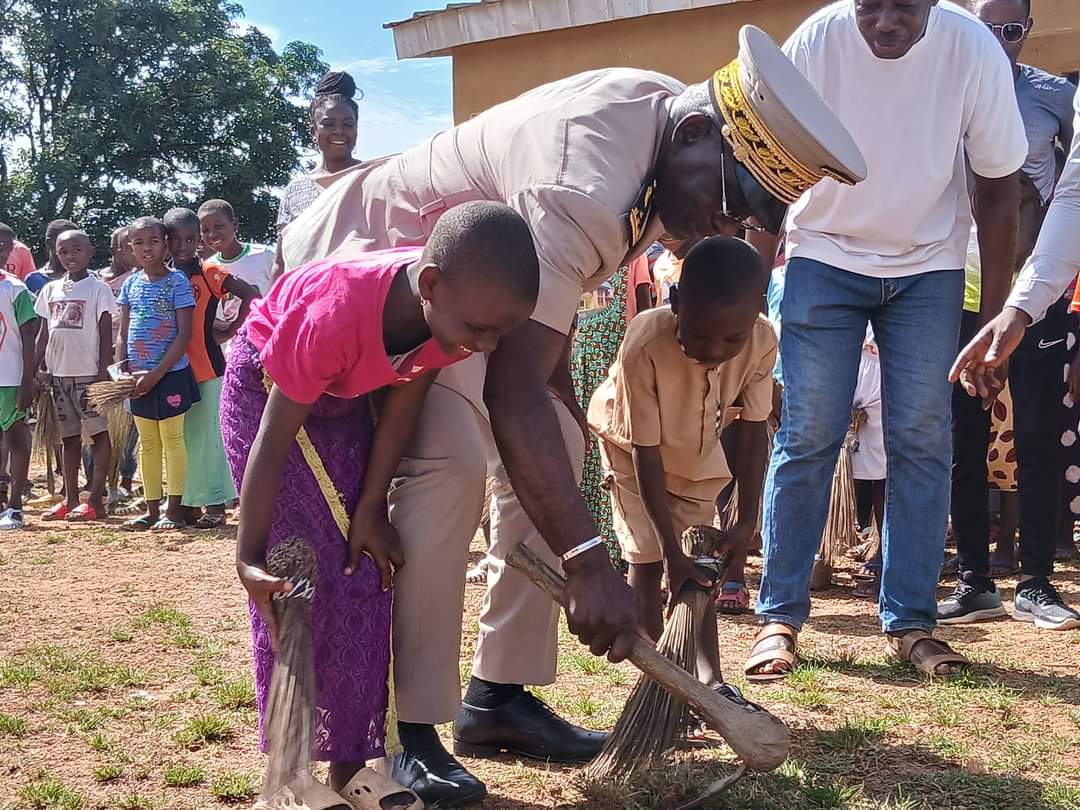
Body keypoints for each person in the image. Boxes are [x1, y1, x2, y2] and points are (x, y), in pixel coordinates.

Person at [279, 26, 865, 807]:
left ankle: (497, 698)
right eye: (731, 205)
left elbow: (543, 332)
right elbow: (506, 387)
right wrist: (590, 563)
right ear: (697, 132)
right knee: (449, 460)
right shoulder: (584, 182)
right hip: (364, 275)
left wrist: (563, 432)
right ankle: (406, 732)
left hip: (464, 298)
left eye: (753, 217)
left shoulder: (669, 144)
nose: (728, 231)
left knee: (556, 437)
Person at [221, 201, 539, 807]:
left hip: (339, 405)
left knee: (360, 569)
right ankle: (289, 778)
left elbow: (401, 407)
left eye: (501, 332)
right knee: (298, 574)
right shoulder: (336, 314)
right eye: (482, 328)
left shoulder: (451, 319)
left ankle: (351, 773)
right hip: (267, 400)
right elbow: (273, 437)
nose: (487, 344)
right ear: (431, 285)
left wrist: (371, 508)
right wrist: (247, 555)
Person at [746, 0, 1027, 681]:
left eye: (904, 5)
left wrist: (993, 320)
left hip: (928, 265)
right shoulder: (816, 40)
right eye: (871, 5)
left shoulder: (973, 50)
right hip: (822, 256)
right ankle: (780, 616)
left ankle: (910, 622)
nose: (886, 23)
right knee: (809, 432)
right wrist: (752, 305)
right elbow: (769, 179)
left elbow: (997, 193)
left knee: (921, 440)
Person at [939, 0, 1078, 630]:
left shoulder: (1056, 98)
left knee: (1039, 435)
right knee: (961, 439)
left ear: (1029, 32)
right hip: (958, 292)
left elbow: (1070, 196)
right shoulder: (943, 91)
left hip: (1035, 294)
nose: (1000, 42)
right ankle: (973, 581)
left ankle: (1037, 583)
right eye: (987, 29)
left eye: (1013, 30)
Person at [589, 236, 773, 695]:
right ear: (676, 302)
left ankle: (709, 678)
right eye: (699, 334)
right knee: (649, 559)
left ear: (757, 313)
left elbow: (751, 433)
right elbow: (645, 451)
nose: (714, 350)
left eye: (733, 338)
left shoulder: (764, 341)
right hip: (631, 452)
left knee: (699, 565)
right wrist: (671, 550)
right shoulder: (646, 342)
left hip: (697, 452)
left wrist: (747, 518)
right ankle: (661, 683)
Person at [164, 208, 257, 528]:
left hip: (207, 366)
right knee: (182, 439)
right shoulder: (162, 277)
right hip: (171, 371)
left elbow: (251, 294)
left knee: (208, 438)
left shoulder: (209, 272)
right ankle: (187, 503)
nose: (182, 247)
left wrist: (229, 332)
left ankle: (216, 504)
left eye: (190, 239)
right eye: (174, 240)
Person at [117, 216, 199, 531]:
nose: (146, 248)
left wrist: (157, 373)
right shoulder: (130, 284)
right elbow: (123, 332)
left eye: (153, 241)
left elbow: (183, 335)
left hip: (171, 375)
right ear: (130, 248)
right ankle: (151, 510)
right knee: (148, 443)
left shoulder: (177, 281)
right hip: (137, 378)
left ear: (165, 244)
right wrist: (122, 368)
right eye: (139, 243)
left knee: (172, 439)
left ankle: (173, 509)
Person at [33, 230, 116, 522]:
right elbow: (43, 334)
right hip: (57, 376)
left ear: (90, 252)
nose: (70, 256)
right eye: (64, 251)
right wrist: (35, 370)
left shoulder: (98, 289)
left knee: (98, 434)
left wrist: (101, 373)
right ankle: (69, 499)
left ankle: (95, 498)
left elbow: (106, 335)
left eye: (76, 250)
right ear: (56, 253)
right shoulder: (50, 289)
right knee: (68, 439)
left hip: (87, 376)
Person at [277, 70, 362, 235]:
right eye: (328, 124)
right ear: (313, 131)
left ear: (356, 129)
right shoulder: (295, 191)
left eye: (348, 124)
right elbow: (282, 258)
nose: (339, 131)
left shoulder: (373, 180)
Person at [0, 224, 37, 530]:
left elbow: (30, 338)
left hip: (11, 379)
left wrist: (28, 380)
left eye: (4, 246)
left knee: (16, 438)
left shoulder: (16, 289)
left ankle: (14, 506)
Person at [25, 219, 79, 296]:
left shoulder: (88, 278)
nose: (71, 252)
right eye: (64, 242)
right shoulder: (33, 279)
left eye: (76, 245)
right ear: (49, 243)